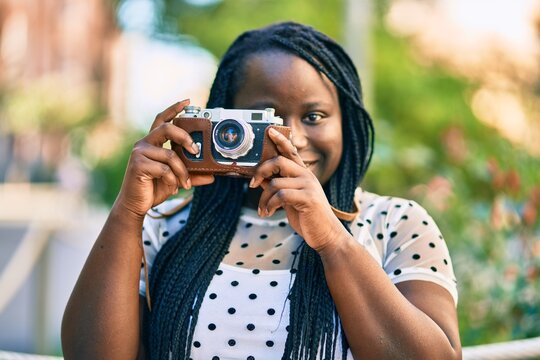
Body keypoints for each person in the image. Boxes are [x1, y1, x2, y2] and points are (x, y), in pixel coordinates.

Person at [61, 22, 461, 359]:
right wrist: (128, 214)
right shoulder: (160, 228)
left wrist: (332, 240)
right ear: (223, 120)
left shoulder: (397, 222)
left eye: (314, 116)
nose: (292, 138)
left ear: (347, 123)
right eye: (265, 118)